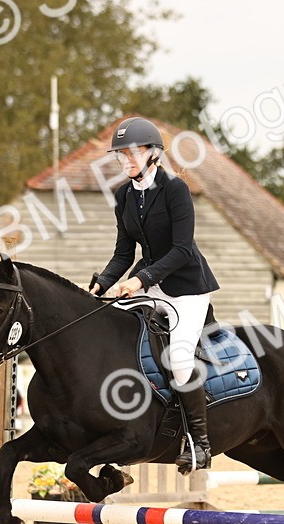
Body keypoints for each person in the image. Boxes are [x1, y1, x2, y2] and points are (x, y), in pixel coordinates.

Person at [89, 117, 220, 472]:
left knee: (179, 357)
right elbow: (123, 254)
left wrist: (140, 280)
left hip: (187, 288)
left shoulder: (175, 190)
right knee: (113, 333)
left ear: (153, 153)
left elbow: (181, 250)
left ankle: (200, 443)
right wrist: (103, 281)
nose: (126, 160)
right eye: (121, 154)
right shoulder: (123, 196)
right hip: (150, 284)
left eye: (133, 153)